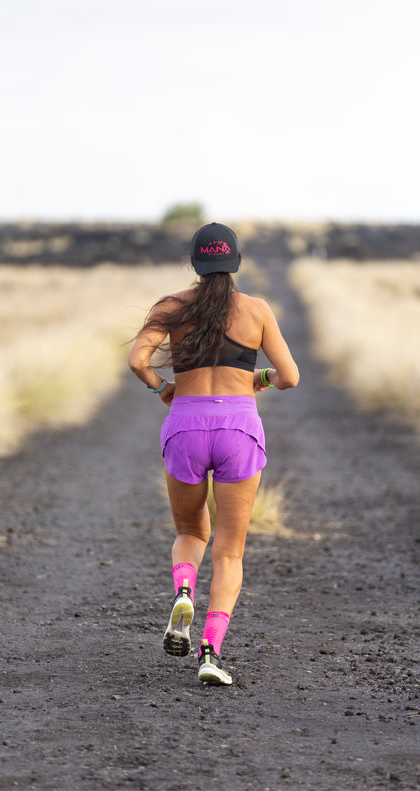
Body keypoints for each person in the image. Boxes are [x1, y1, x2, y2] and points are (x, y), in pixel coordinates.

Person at [128, 222, 299, 685]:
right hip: (239, 428)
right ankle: (210, 652)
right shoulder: (257, 310)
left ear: (196, 264)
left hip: (184, 424)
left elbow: (136, 361)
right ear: (236, 262)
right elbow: (289, 377)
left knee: (189, 529)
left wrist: (162, 387)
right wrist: (255, 380)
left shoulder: (170, 307)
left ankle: (183, 588)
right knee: (229, 552)